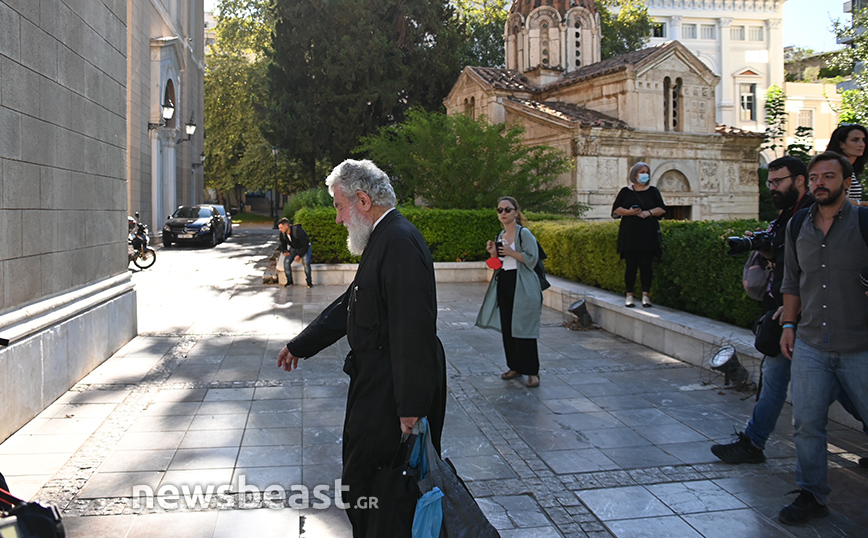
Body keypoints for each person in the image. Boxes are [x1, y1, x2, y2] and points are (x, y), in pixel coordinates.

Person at [276, 160, 447, 537]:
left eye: (339, 206)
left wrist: (412, 407)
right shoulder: (383, 238)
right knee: (362, 482)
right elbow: (352, 303)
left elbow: (413, 330)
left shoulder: (398, 241)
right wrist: (301, 345)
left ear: (363, 200)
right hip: (376, 384)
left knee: (376, 487)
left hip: (391, 393)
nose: (337, 219)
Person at [777, 152, 868, 525]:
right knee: (807, 424)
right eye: (814, 177)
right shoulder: (798, 225)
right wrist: (788, 325)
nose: (819, 183)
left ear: (846, 183)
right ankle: (812, 494)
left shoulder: (864, 222)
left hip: (860, 345)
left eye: (828, 176)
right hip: (811, 344)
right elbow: (792, 280)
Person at [710, 156, 814, 464]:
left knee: (841, 385)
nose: (772, 188)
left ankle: (754, 444)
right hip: (784, 312)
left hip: (798, 314)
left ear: (799, 180)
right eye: (770, 182)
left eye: (778, 181)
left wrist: (793, 309)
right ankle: (754, 443)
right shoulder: (788, 215)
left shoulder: (809, 214)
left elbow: (814, 267)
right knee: (775, 376)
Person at [476, 197, 543, 388]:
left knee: (524, 328)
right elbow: (497, 266)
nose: (503, 213)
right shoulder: (500, 235)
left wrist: (511, 252)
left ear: (516, 212)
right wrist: (493, 254)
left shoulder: (524, 234)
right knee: (508, 327)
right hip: (505, 282)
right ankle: (514, 366)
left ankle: (532, 371)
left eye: (507, 209)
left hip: (523, 284)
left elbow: (532, 260)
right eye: (500, 210)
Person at [611, 162, 666, 307]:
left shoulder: (653, 191)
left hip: (647, 233)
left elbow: (662, 209)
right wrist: (629, 212)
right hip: (630, 233)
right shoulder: (625, 191)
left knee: (646, 265)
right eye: (642, 171)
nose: (645, 174)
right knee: (631, 265)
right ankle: (629, 295)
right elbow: (616, 209)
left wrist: (648, 213)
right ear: (635, 174)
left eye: (647, 171)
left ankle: (645, 295)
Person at [825, 123, 868, 207]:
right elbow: (833, 198)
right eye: (855, 140)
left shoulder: (849, 167)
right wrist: (862, 204)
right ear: (842, 144)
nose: (861, 144)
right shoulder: (836, 166)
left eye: (864, 140)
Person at [277, 218, 313, 287]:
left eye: (281, 228)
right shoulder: (282, 234)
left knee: (306, 263)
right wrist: (285, 251)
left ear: (286, 226)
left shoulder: (297, 231)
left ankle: (309, 282)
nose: (280, 230)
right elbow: (282, 245)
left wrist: (299, 255)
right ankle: (289, 281)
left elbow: (305, 244)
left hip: (305, 247)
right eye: (279, 228)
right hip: (294, 248)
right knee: (286, 262)